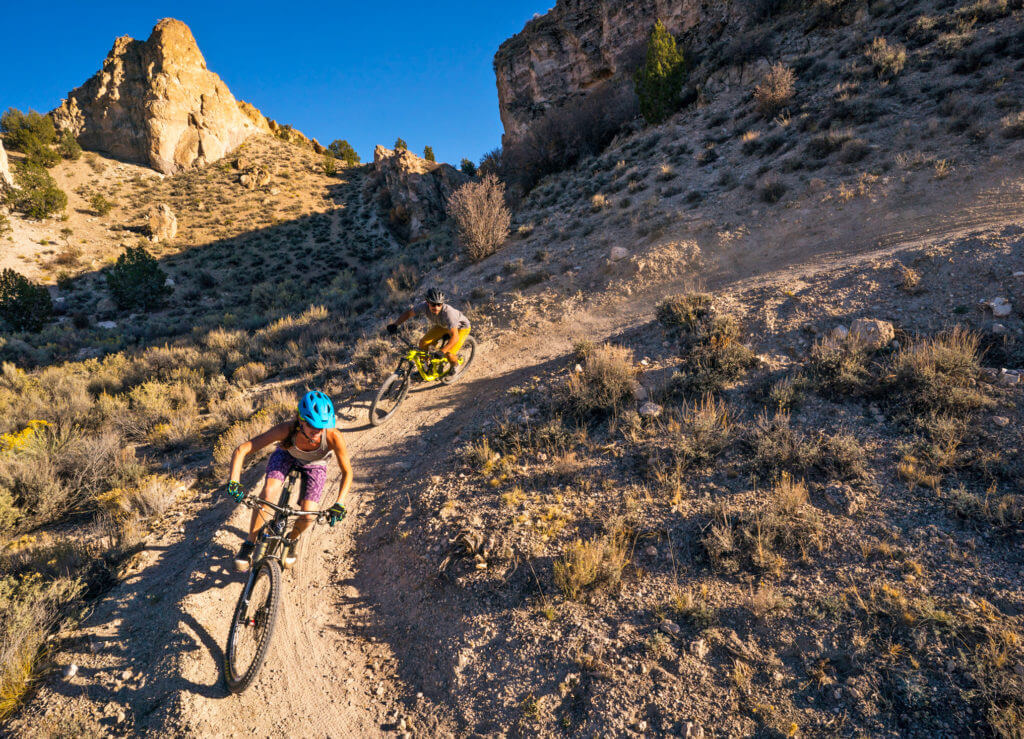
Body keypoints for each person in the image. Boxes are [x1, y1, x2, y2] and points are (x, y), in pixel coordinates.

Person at [224, 390, 352, 571]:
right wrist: (234, 481)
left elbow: (347, 472)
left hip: (315, 464)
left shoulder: (333, 436)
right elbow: (242, 449)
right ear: (300, 420)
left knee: (308, 516)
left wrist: (340, 503)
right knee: (267, 494)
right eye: (312, 425)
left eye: (321, 427)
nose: (317, 431)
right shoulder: (285, 430)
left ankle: (291, 540)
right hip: (286, 455)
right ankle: (249, 544)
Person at [386, 287, 471, 378]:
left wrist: (442, 352)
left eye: (439, 304)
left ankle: (455, 365)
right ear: (427, 302)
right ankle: (425, 369)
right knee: (423, 343)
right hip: (442, 325)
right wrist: (395, 324)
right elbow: (408, 314)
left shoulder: (449, 313)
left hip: (460, 328)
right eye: (433, 304)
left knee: (448, 353)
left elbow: (455, 337)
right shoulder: (423, 306)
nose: (436, 307)